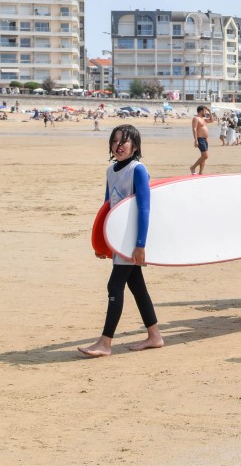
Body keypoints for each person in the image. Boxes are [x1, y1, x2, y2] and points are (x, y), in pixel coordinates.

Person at [78, 125, 164, 357]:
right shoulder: (111, 171)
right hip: (118, 238)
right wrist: (103, 243)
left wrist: (140, 244)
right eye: (115, 141)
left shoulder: (138, 169)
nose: (118, 145)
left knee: (114, 286)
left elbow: (145, 208)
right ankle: (154, 336)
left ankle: (105, 343)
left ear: (134, 146)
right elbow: (108, 207)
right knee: (136, 286)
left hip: (131, 238)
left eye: (124, 141)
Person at [190, 105, 213, 174]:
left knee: (203, 157)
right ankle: (193, 167)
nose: (206, 113)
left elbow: (211, 120)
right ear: (201, 111)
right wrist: (196, 140)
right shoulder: (196, 118)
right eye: (205, 111)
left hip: (205, 139)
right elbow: (194, 129)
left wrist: (210, 111)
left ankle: (200, 173)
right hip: (200, 139)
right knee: (205, 156)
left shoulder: (203, 119)